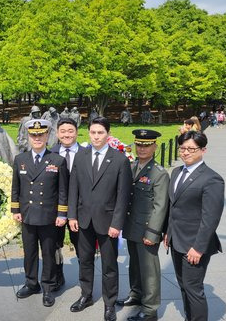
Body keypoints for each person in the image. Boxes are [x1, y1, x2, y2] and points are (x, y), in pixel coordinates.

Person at [68, 117, 132, 321]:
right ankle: (86, 295)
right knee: (84, 261)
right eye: (93, 132)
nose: (96, 136)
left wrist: (117, 223)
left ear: (108, 134)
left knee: (109, 266)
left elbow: (123, 195)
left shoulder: (119, 159)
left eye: (100, 133)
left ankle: (109, 303)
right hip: (83, 220)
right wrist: (71, 215)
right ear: (89, 133)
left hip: (108, 222)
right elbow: (73, 188)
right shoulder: (81, 155)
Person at [164, 131, 224, 321]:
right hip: (176, 240)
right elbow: (173, 207)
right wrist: (168, 232)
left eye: (191, 149)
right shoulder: (176, 172)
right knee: (183, 285)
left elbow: (211, 218)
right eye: (183, 148)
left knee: (193, 288)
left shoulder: (211, 179)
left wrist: (198, 248)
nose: (186, 152)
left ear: (203, 150)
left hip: (194, 245)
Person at [11, 119, 68, 307]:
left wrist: (61, 214)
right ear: (29, 136)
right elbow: (15, 188)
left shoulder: (58, 160)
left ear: (47, 136)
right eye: (33, 135)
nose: (37, 138)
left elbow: (62, 191)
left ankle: (48, 287)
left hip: (48, 216)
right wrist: (15, 209)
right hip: (27, 214)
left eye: (40, 134)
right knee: (29, 252)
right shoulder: (20, 159)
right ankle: (31, 283)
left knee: (49, 253)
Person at [117, 129, 169, 321]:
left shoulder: (159, 173)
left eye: (147, 145)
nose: (142, 148)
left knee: (149, 271)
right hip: (132, 226)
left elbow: (160, 206)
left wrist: (153, 233)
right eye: (139, 144)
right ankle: (136, 294)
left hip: (147, 230)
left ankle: (150, 309)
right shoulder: (131, 167)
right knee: (135, 265)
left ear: (155, 146)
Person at [49, 117, 84, 289]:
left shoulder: (87, 153)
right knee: (55, 244)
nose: (67, 135)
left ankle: (85, 281)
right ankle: (57, 276)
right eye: (63, 131)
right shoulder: (50, 154)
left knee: (82, 246)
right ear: (57, 134)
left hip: (80, 209)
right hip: (57, 210)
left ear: (77, 132)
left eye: (70, 131)